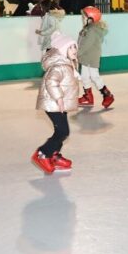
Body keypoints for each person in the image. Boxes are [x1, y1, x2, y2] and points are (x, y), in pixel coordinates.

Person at [31, 32, 81, 174]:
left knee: (61, 131)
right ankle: (42, 153)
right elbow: (51, 82)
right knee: (63, 131)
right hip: (53, 103)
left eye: (75, 47)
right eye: (71, 47)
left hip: (59, 105)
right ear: (63, 50)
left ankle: (54, 154)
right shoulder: (59, 66)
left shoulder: (67, 64)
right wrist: (59, 98)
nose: (74, 50)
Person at [76, 6, 114, 108]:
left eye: (84, 17)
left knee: (94, 76)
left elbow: (85, 45)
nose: (82, 18)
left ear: (91, 18)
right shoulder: (87, 28)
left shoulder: (92, 30)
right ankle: (88, 97)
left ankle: (108, 95)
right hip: (85, 57)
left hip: (91, 58)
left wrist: (76, 54)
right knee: (84, 77)